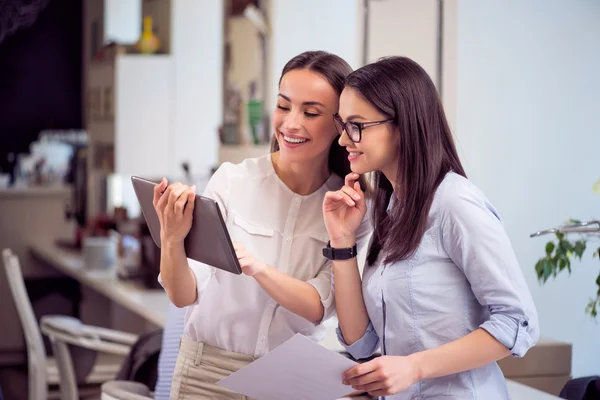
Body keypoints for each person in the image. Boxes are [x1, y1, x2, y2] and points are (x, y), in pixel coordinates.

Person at [152, 50, 370, 399]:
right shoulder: (233, 181)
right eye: (284, 106)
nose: (291, 123)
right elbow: (183, 295)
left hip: (289, 382)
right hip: (207, 375)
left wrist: (258, 269)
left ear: (339, 125)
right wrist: (172, 238)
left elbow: (320, 306)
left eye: (310, 112)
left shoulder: (347, 207)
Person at [323, 56, 539, 399]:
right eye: (342, 124)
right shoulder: (391, 207)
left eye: (357, 125)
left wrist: (414, 367)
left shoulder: (455, 204)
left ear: (403, 125)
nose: (343, 140)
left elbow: (517, 323)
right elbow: (362, 343)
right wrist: (342, 241)